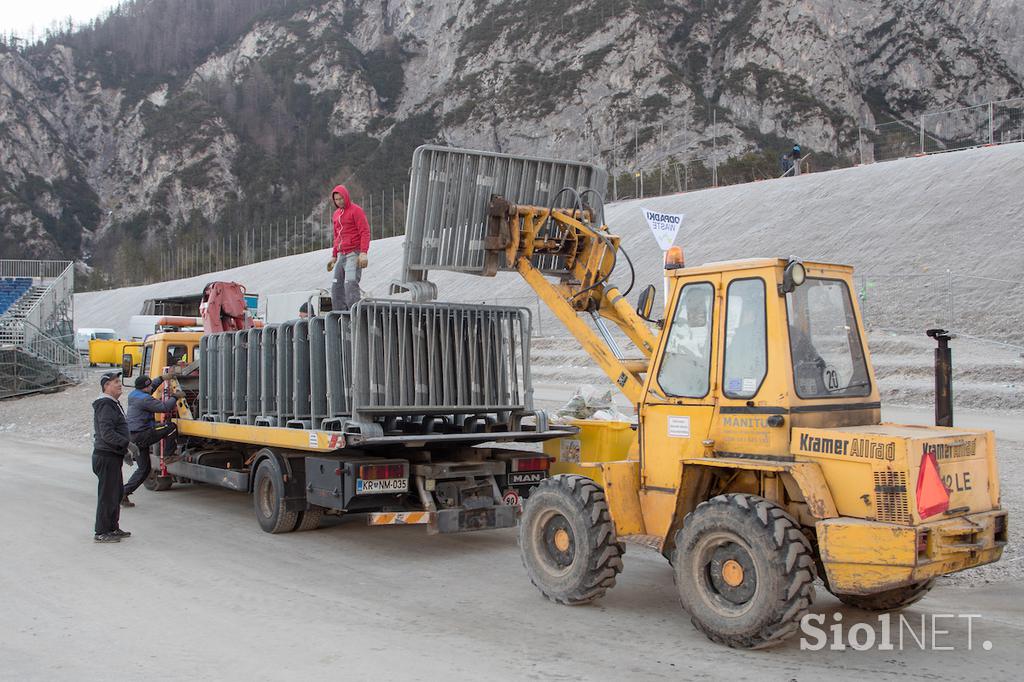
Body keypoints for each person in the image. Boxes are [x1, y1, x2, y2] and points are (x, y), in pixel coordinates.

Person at [122, 372, 181, 507]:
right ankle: (168, 456)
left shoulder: (134, 394)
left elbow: (151, 387)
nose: (151, 389)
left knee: (144, 469)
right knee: (171, 427)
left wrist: (161, 378)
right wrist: (175, 396)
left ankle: (124, 493)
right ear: (145, 387)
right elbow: (164, 407)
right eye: (149, 387)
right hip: (143, 434)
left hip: (134, 436)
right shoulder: (145, 400)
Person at [92, 372, 131, 543]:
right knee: (107, 495)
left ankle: (112, 527)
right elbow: (107, 433)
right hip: (106, 457)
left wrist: (123, 451)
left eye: (119, 381)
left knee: (115, 493)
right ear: (106, 386)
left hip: (112, 456)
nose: (119, 384)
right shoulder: (105, 404)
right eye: (115, 382)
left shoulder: (112, 404)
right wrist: (126, 444)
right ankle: (101, 532)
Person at [327, 185, 370, 310]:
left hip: (353, 253)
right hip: (342, 254)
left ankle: (356, 314)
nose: (339, 201)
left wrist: (363, 252)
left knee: (350, 284)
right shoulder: (336, 215)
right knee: (336, 287)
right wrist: (334, 256)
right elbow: (337, 236)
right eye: (336, 199)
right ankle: (340, 315)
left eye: (341, 198)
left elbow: (364, 231)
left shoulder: (356, 211)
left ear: (346, 197)